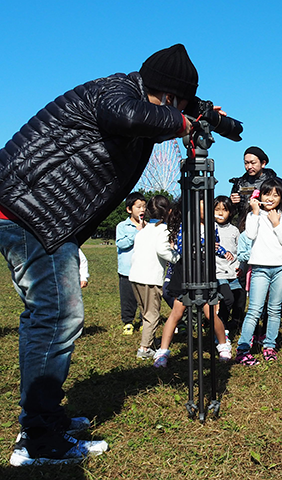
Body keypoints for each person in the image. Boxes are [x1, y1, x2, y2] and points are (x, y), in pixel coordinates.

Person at [0, 43, 203, 466]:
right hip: (32, 213)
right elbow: (129, 116)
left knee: (47, 317)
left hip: (38, 215)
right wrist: (183, 121)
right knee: (57, 316)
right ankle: (38, 440)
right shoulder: (116, 92)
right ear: (167, 95)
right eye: (178, 103)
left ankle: (42, 417)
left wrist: (204, 114)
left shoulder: (129, 93)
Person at [153, 201, 232, 368]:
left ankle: (223, 346)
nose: (207, 212)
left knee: (210, 311)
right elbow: (182, 248)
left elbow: (216, 245)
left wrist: (224, 252)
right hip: (186, 272)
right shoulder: (185, 226)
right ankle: (162, 352)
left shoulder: (212, 226)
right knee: (177, 312)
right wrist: (205, 245)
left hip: (204, 272)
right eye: (202, 209)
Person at [235, 178, 282, 365]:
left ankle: (269, 346)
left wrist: (276, 223)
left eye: (276, 195)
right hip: (259, 267)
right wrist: (254, 212)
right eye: (267, 194)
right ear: (261, 195)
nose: (271, 198)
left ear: (281, 197)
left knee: (275, 310)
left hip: (280, 268)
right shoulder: (255, 215)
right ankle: (243, 348)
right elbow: (250, 235)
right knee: (254, 310)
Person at [129, 196, 179, 360]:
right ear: (168, 212)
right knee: (152, 315)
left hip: (135, 276)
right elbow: (163, 250)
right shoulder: (163, 229)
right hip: (150, 278)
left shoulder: (144, 230)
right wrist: (177, 257)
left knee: (145, 312)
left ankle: (147, 342)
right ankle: (145, 349)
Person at [229, 146, 282, 218]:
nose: (249, 166)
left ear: (263, 163)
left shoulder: (276, 182)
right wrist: (232, 203)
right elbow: (230, 212)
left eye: (253, 163)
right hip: (245, 225)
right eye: (246, 163)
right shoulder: (239, 183)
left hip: (270, 223)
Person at [116, 192, 147, 335]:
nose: (142, 210)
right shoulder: (122, 226)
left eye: (144, 207)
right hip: (127, 270)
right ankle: (128, 322)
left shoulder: (148, 226)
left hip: (144, 268)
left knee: (144, 296)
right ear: (129, 209)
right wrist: (137, 233)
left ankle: (143, 321)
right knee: (128, 297)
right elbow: (121, 244)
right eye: (138, 207)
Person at [214, 195, 244, 328]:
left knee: (239, 297)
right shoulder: (209, 229)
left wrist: (239, 266)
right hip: (218, 273)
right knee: (228, 299)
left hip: (233, 272)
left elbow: (238, 251)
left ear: (230, 212)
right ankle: (221, 326)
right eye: (217, 209)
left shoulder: (234, 230)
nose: (220, 213)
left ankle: (232, 323)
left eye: (224, 210)